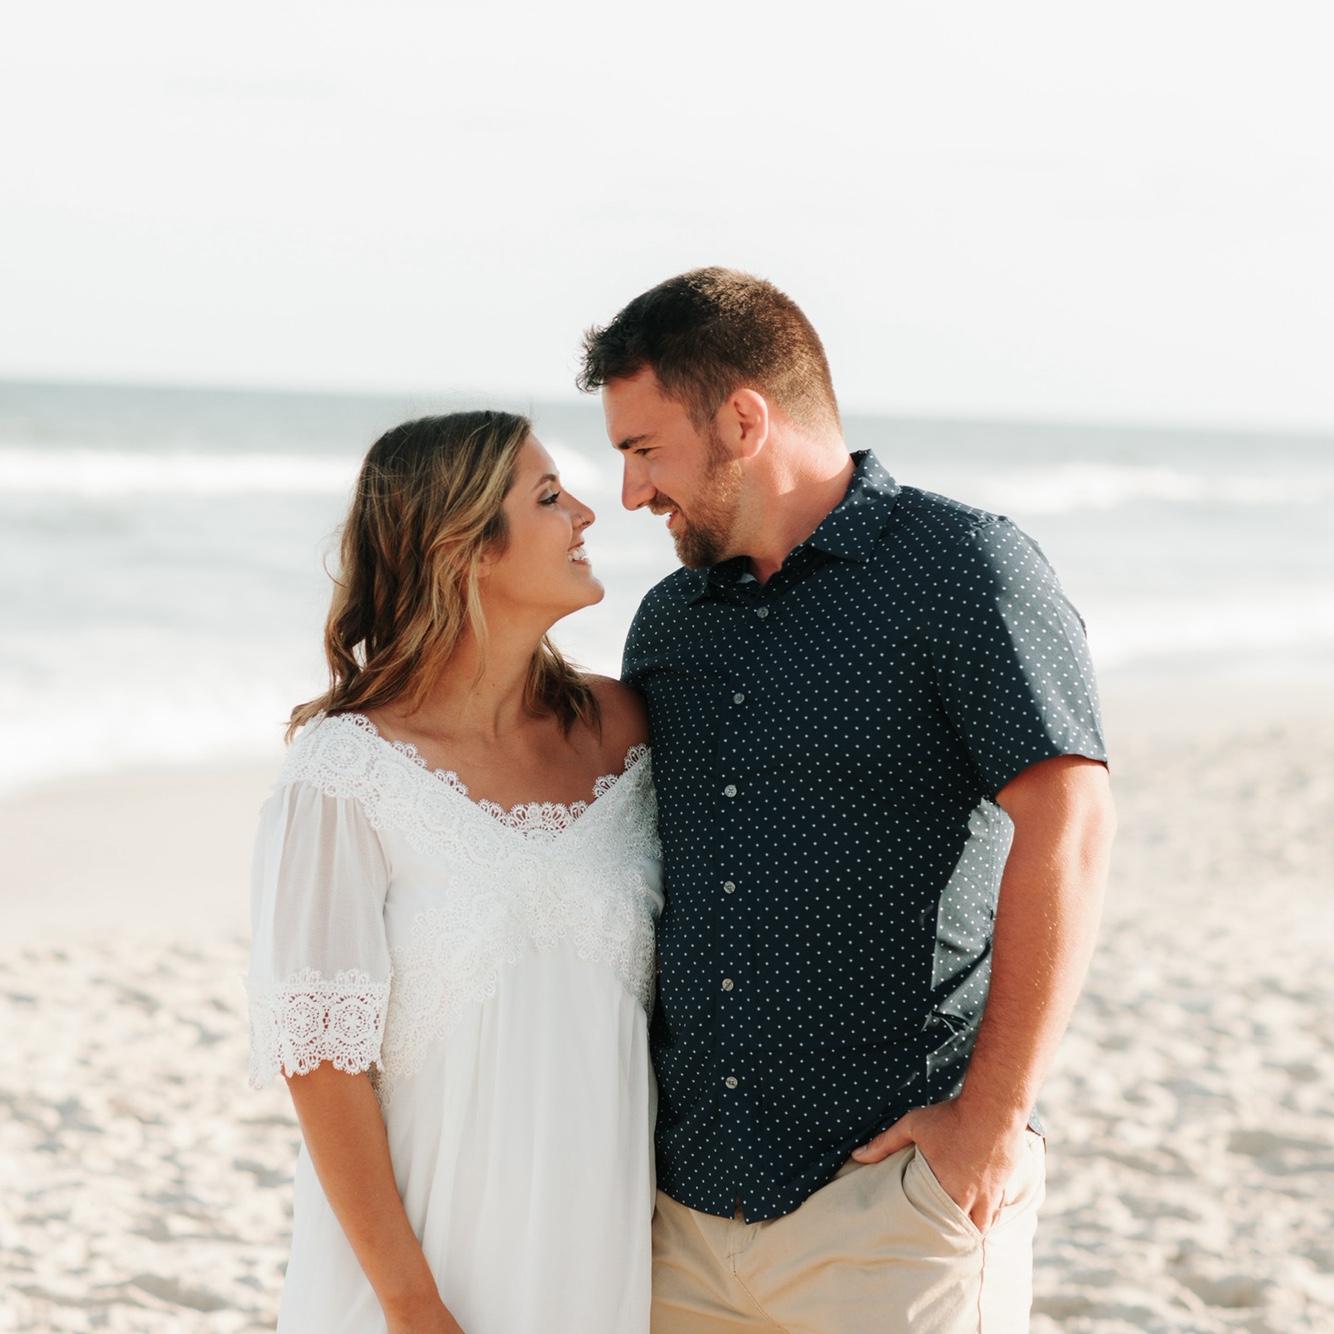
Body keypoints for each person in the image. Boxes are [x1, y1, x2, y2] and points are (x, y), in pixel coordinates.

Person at [577, 268, 1118, 1332]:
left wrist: (991, 1118)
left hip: (890, 1201)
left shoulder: (963, 568)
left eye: (644, 449)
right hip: (683, 1211)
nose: (632, 492)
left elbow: (1072, 819)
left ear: (742, 418)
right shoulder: (670, 622)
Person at [245, 411, 663, 1333]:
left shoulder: (625, 729)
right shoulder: (346, 769)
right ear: (464, 548)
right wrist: (410, 1302)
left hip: (596, 1244)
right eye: (550, 497)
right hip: (423, 1268)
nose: (589, 513)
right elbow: (318, 1059)